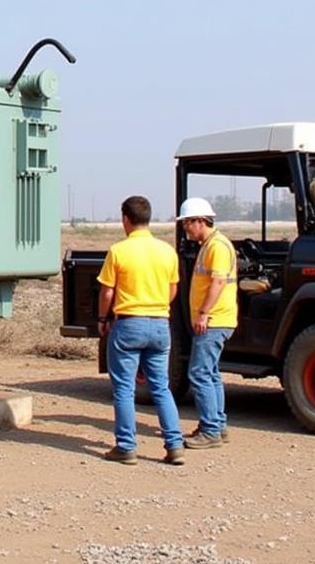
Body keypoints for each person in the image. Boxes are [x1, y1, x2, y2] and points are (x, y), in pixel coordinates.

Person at [97, 195, 185, 466]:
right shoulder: (167, 251)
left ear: (126, 218)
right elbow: (172, 289)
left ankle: (126, 446)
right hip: (160, 324)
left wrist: (103, 318)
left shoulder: (119, 251)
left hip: (129, 323)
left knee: (124, 388)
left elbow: (107, 291)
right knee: (161, 387)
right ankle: (174, 445)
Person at [177, 196, 238, 449]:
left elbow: (218, 282)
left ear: (200, 221)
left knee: (200, 372)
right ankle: (216, 424)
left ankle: (211, 430)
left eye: (187, 223)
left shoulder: (218, 247)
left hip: (214, 320)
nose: (185, 228)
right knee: (210, 373)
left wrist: (203, 313)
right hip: (215, 318)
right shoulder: (210, 245)